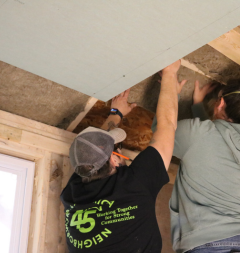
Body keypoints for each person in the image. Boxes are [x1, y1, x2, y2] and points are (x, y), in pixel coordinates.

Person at [60, 60, 183, 253]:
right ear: (114, 160)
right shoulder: (72, 191)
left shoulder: (74, 189)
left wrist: (115, 114)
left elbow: (92, 148)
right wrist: (170, 72)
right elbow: (167, 125)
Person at [154, 79, 240, 253]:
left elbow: (162, 132)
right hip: (238, 241)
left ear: (220, 103)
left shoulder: (200, 135)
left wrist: (173, 92)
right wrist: (197, 107)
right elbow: (212, 141)